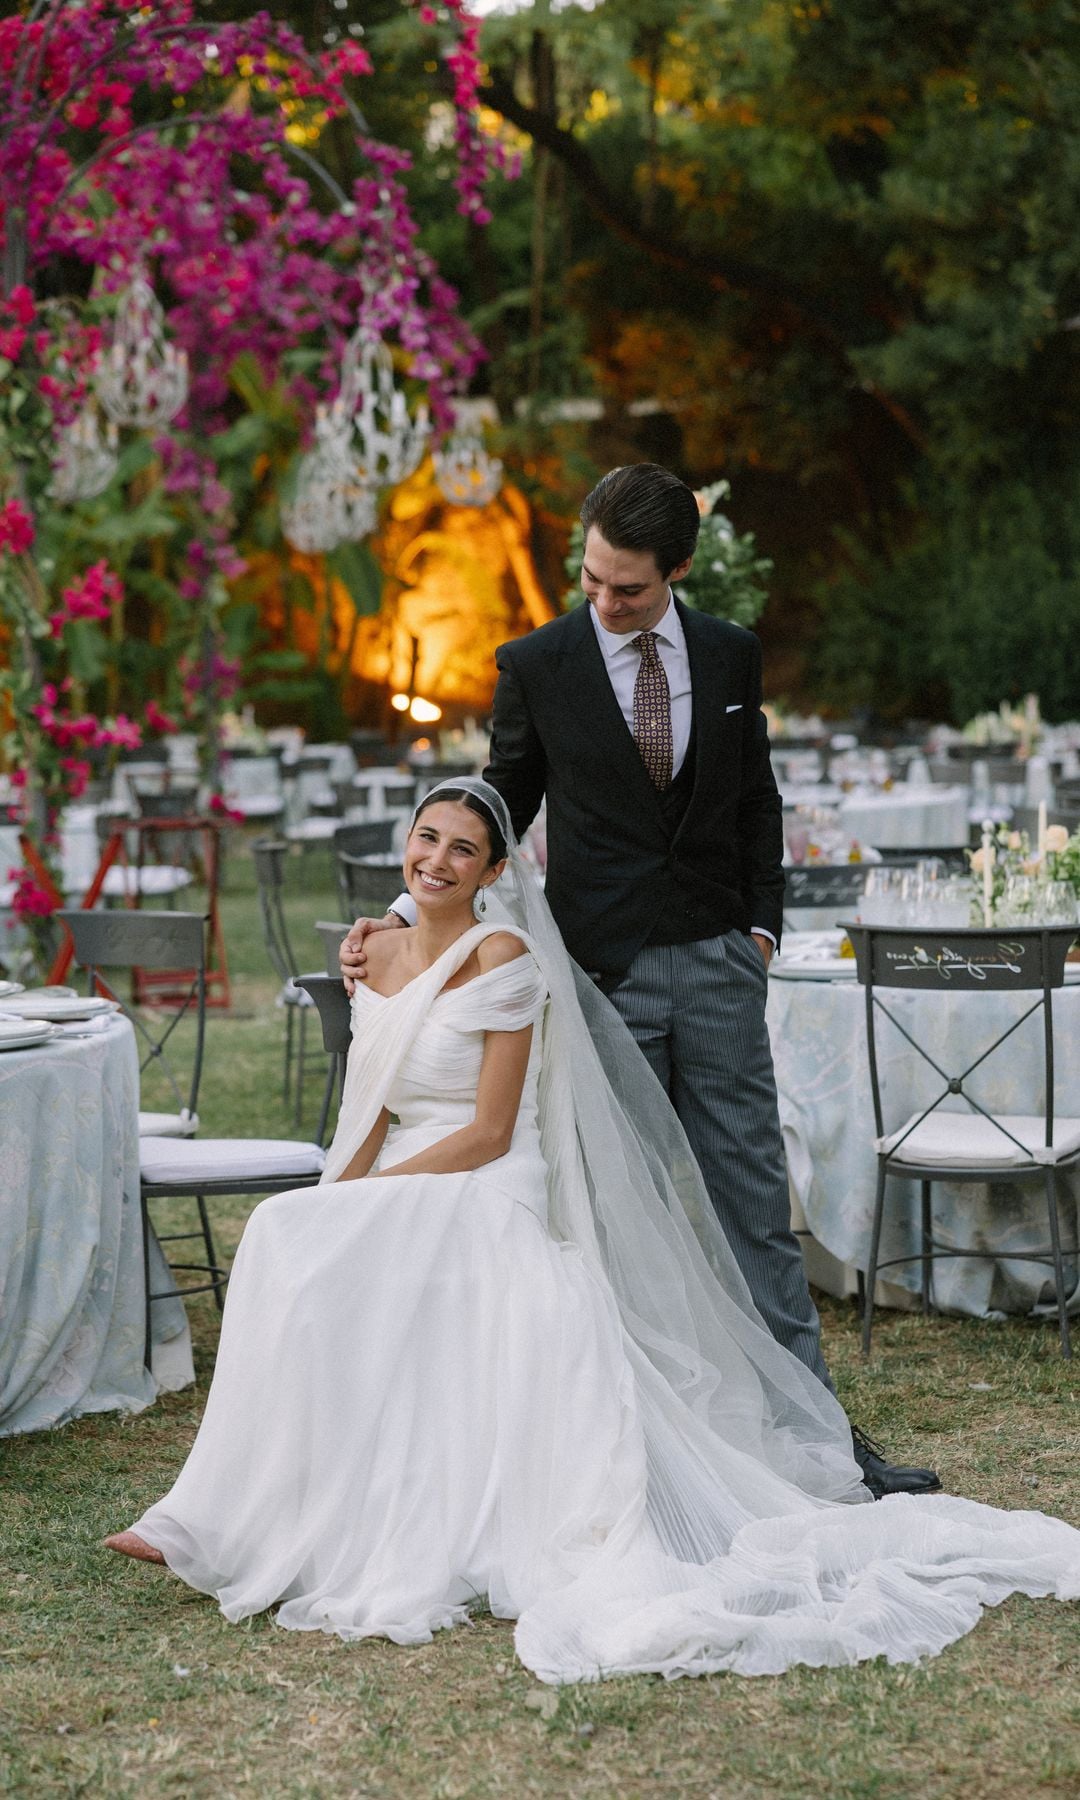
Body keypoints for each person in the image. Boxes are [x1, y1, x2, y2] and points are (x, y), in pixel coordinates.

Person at [106, 780, 1080, 1682]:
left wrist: (365, 1195)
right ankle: (226, 1514)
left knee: (298, 1232)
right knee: (285, 1234)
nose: (438, 860)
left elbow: (490, 1130)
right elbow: (370, 1103)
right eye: (427, 838)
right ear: (406, 845)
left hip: (488, 1174)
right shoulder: (376, 950)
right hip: (408, 1163)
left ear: (495, 873)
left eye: (464, 850)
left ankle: (224, 1518)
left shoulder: (505, 958)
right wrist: (336, 1192)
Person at [340, 463, 934, 1499]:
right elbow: (499, 803)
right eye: (592, 579)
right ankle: (631, 1448)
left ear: (680, 570)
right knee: (611, 1212)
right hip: (597, 979)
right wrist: (407, 909)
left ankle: (821, 1442)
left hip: (717, 965)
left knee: (753, 1205)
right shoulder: (539, 662)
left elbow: (757, 799)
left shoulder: (731, 653)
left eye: (628, 588)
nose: (605, 603)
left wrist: (757, 932)